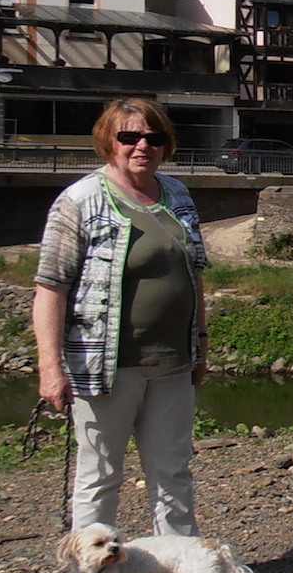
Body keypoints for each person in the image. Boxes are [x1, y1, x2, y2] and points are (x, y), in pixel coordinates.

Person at [34, 98, 210, 536]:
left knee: (172, 471)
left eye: (154, 137)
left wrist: (201, 344)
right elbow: (51, 286)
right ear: (108, 142)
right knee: (100, 475)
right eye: (129, 137)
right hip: (105, 365)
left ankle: (178, 568)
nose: (142, 146)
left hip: (172, 362)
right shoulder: (79, 200)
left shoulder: (178, 194)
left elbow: (195, 273)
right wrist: (50, 367)